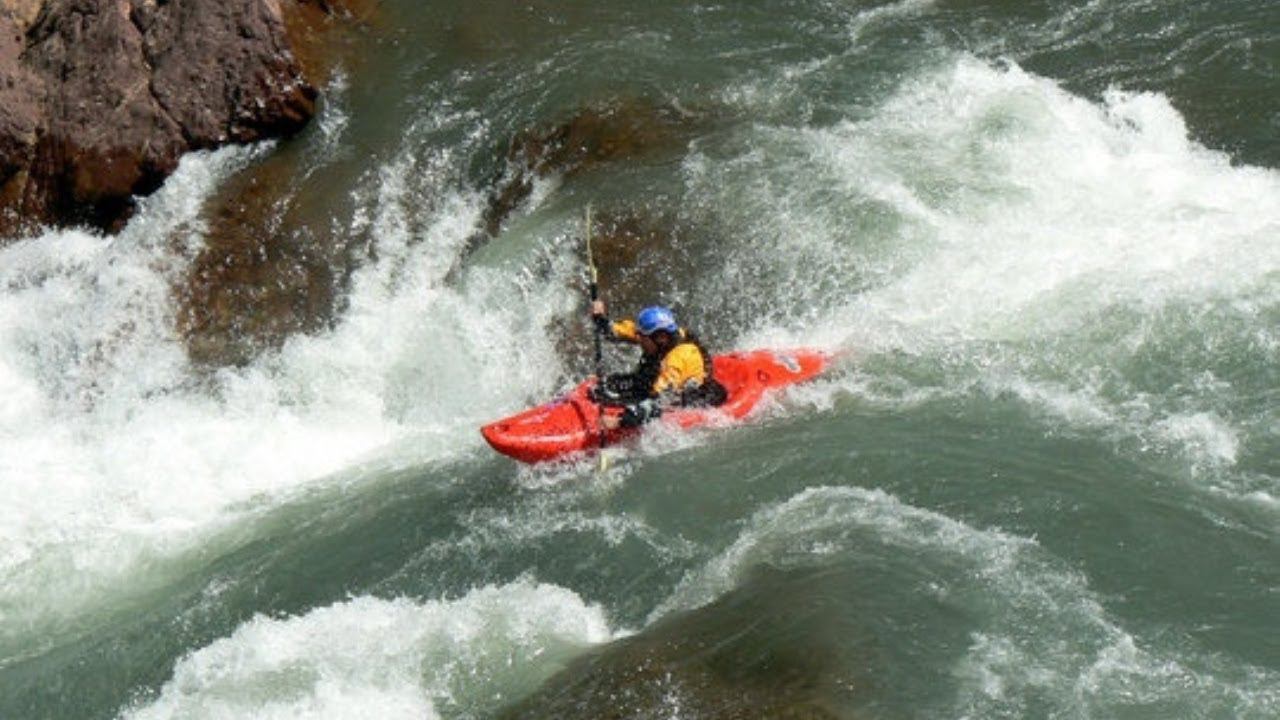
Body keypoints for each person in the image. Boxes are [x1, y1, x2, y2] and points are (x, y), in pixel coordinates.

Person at [590, 301, 727, 429]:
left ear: (660, 338)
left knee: (640, 396)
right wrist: (601, 318)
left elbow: (660, 401)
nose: (639, 340)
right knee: (606, 386)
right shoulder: (661, 336)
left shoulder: (677, 359)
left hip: (689, 395)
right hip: (662, 382)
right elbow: (622, 331)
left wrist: (620, 421)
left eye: (642, 338)